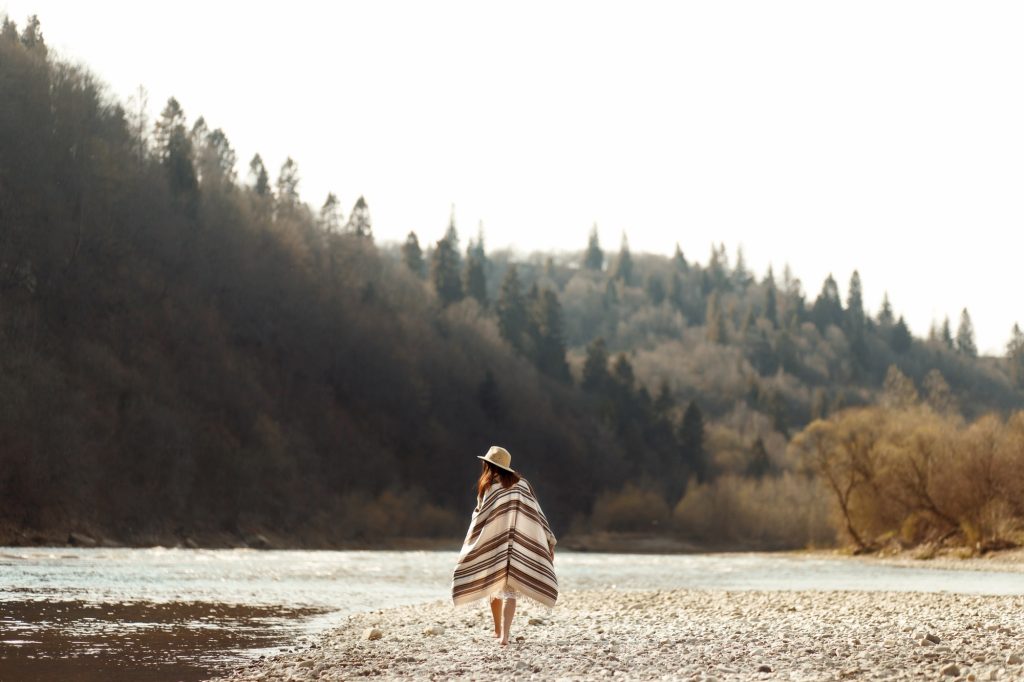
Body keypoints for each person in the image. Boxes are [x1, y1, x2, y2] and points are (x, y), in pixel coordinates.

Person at [451, 445, 558, 645]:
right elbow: (537, 514)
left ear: (489, 465)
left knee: (494, 585)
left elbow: (479, 514)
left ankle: (497, 629)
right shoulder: (523, 485)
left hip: (495, 542)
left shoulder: (489, 486)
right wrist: (548, 540)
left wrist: (474, 539)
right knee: (510, 590)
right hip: (518, 543)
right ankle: (504, 635)